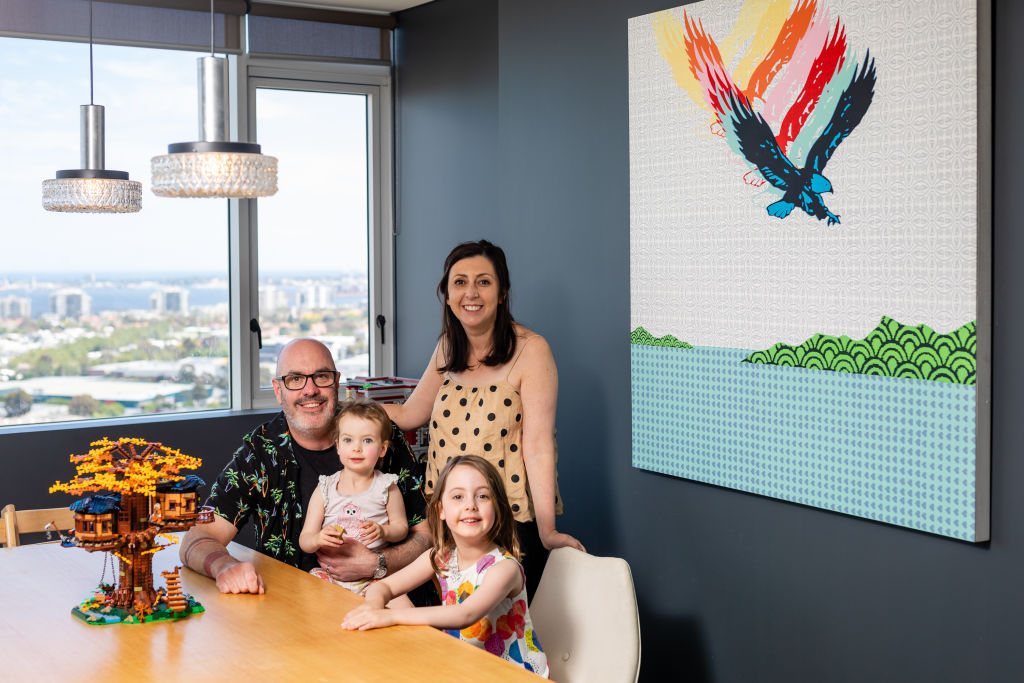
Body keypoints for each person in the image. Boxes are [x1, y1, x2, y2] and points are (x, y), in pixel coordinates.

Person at [385, 239, 583, 599]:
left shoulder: (531, 350)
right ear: (447, 294)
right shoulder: (448, 345)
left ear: (503, 292)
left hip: (506, 522)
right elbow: (411, 414)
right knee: (444, 634)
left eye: (484, 282)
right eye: (459, 282)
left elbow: (538, 447)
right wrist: (345, 408)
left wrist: (548, 530)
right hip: (449, 522)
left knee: (491, 639)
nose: (470, 293)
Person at [180, 338, 431, 595]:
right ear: (278, 390)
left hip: (387, 600)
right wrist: (223, 566)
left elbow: (427, 535)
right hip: (293, 610)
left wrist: (378, 563)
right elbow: (197, 539)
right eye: (295, 379)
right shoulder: (259, 451)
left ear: (336, 382)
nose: (310, 390)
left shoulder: (380, 434)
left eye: (321, 376)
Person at [342, 455, 549, 678]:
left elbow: (464, 614)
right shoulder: (441, 557)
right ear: (441, 509)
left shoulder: (504, 569)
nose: (470, 505)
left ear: (497, 508)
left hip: (515, 675)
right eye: (458, 496)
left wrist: (388, 617)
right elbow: (384, 587)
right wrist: (374, 605)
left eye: (482, 496)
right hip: (465, 667)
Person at [300, 397, 408, 596]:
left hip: (375, 578)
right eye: (348, 440)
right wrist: (318, 539)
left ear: (383, 449)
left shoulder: (386, 486)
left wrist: (384, 531)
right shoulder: (325, 487)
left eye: (367, 440)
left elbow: (401, 528)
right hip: (330, 576)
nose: (356, 448)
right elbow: (305, 539)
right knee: (307, 597)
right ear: (338, 446)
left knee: (401, 605)